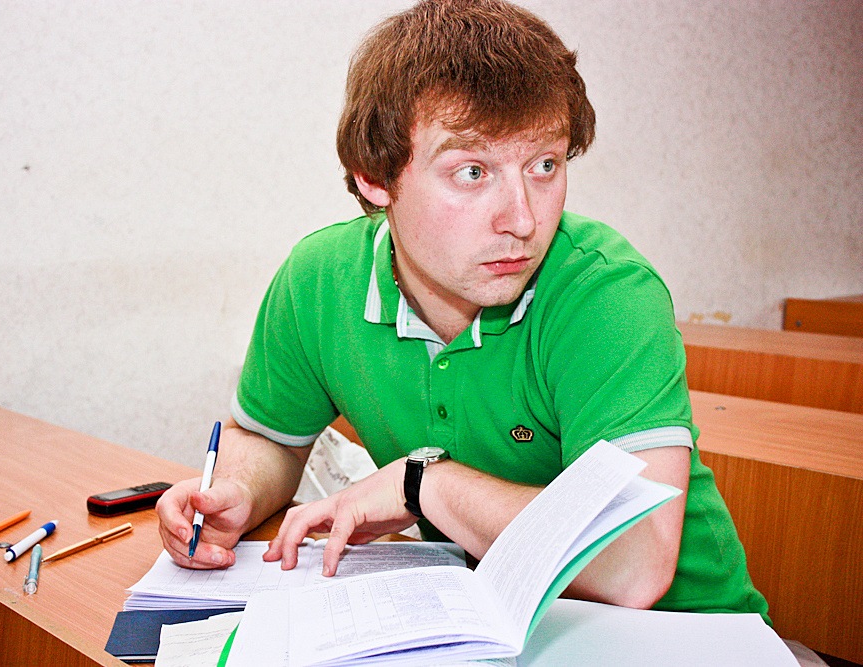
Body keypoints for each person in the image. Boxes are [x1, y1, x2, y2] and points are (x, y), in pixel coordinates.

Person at [157, 0, 769, 620]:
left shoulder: (607, 294)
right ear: (374, 177)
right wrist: (236, 489)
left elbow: (633, 566)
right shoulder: (319, 279)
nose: (522, 220)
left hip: (687, 632)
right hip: (486, 619)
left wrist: (425, 484)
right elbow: (268, 438)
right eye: (473, 172)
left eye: (545, 165)